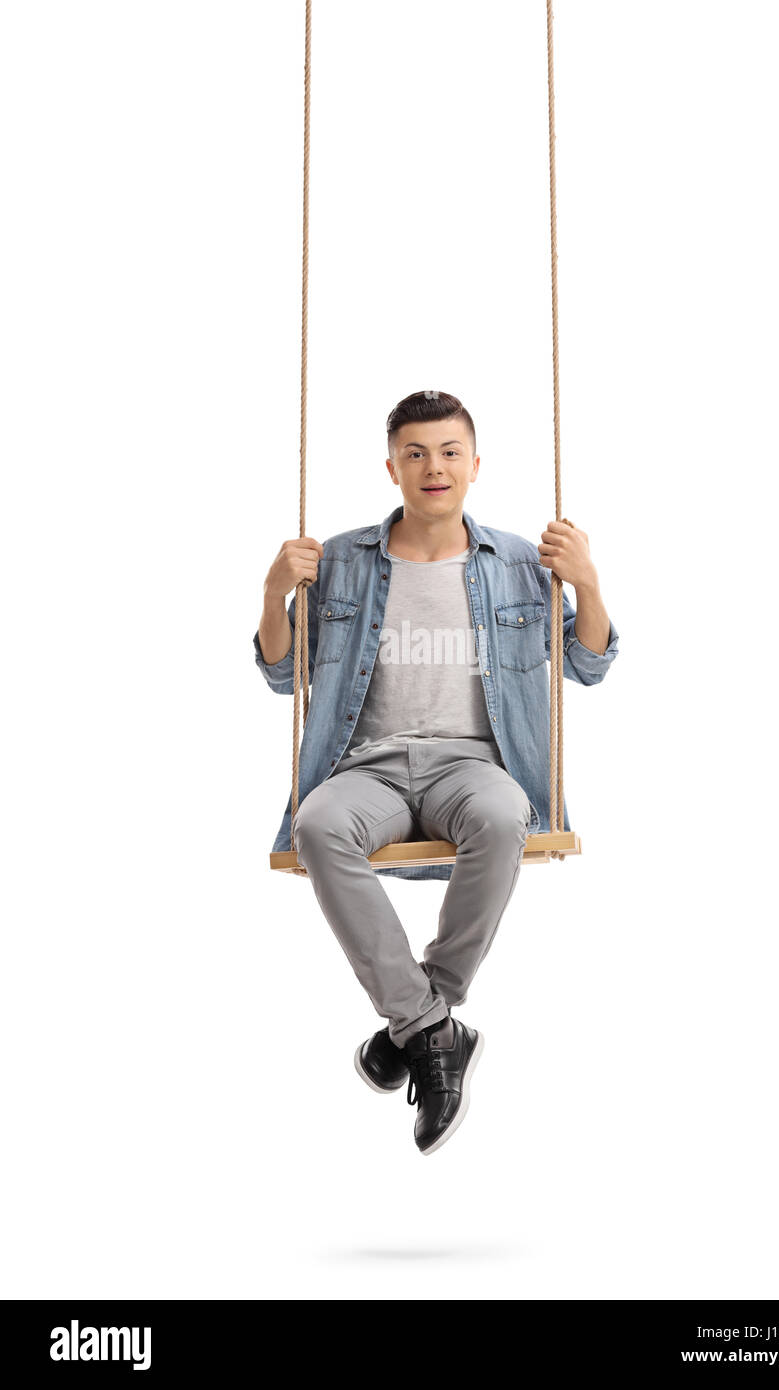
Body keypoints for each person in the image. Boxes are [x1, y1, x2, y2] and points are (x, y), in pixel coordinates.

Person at [253, 391, 620, 1155]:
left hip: (474, 764)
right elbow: (283, 677)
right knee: (318, 825)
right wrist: (272, 595)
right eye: (416, 453)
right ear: (391, 467)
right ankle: (433, 1028)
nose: (434, 467)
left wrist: (586, 580)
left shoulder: (521, 562)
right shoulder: (341, 561)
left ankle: (421, 1022)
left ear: (475, 465)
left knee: (503, 816)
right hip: (370, 766)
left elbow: (588, 663)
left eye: (450, 452)